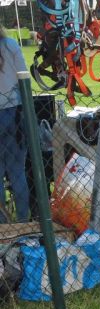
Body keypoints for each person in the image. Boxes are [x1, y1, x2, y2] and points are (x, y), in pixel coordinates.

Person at [0, 26, 30, 223]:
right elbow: (24, 79)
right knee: (18, 172)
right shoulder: (10, 45)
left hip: (10, 110)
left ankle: (3, 225)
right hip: (15, 112)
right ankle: (23, 221)